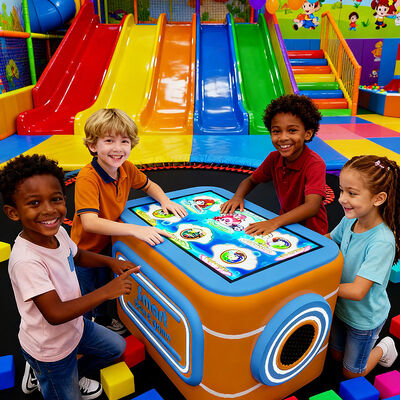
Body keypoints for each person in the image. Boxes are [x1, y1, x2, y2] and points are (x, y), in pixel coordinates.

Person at [0, 154, 140, 399]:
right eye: (34, 203)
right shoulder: (26, 261)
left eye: (55, 199)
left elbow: (78, 256)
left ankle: (62, 375)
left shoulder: (58, 233)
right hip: (51, 349)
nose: (49, 210)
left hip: (76, 328)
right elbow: (55, 314)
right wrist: (107, 291)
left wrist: (110, 262)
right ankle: (43, 373)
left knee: (116, 347)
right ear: (13, 212)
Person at [71, 108, 187, 334]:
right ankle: (83, 330)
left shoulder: (126, 168)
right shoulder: (88, 178)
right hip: (84, 250)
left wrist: (165, 200)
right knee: (87, 291)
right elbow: (90, 222)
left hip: (108, 241)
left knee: (106, 283)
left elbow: (149, 185)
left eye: (124, 141)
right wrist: (135, 229)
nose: (118, 148)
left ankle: (103, 318)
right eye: (108, 140)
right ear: (93, 146)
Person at [327, 155, 400, 378]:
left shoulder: (382, 242)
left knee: (352, 374)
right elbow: (328, 239)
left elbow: (358, 291)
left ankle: (384, 347)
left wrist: (319, 289)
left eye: (352, 193)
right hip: (341, 307)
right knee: (335, 356)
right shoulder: (350, 219)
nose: (341, 199)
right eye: (341, 190)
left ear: (378, 199)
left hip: (364, 319)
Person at [221, 94, 328, 236]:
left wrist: (273, 222)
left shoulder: (314, 164)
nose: (283, 138)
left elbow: (312, 206)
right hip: (286, 224)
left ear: (307, 134)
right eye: (276, 131)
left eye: (292, 130)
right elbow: (251, 180)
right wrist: (238, 197)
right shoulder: (274, 158)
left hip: (312, 232)